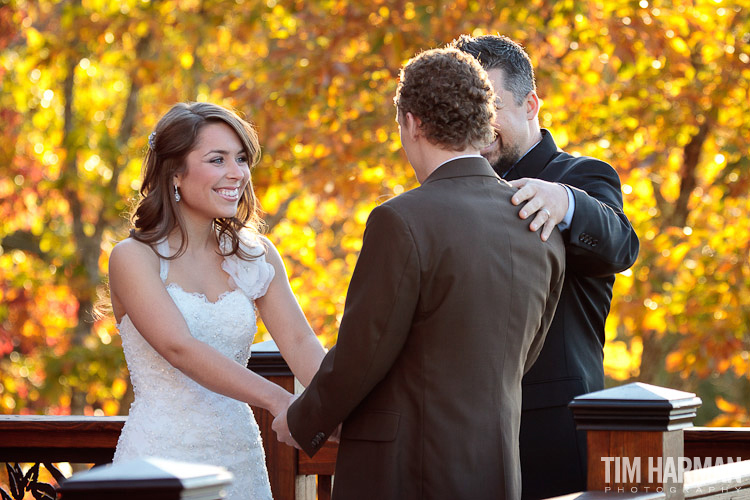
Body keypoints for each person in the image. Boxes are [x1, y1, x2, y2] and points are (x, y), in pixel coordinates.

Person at [272, 47, 566, 500]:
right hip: (498, 467)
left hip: (404, 470)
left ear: (411, 122)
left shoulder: (400, 220)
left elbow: (363, 352)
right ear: (483, 123)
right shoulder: (539, 226)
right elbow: (525, 353)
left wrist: (302, 420)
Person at [452, 34, 640, 498]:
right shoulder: (448, 197)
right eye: (468, 109)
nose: (480, 124)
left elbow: (621, 247)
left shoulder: (582, 177)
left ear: (531, 103)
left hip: (551, 435)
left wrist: (566, 201)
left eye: (492, 106)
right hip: (461, 441)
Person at [108, 102, 326, 500]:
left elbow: (298, 342)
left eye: (241, 158)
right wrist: (282, 401)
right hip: (160, 457)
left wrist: (340, 403)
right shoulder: (132, 257)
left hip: (238, 456)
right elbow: (180, 347)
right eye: (217, 159)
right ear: (174, 171)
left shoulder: (254, 254)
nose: (237, 173)